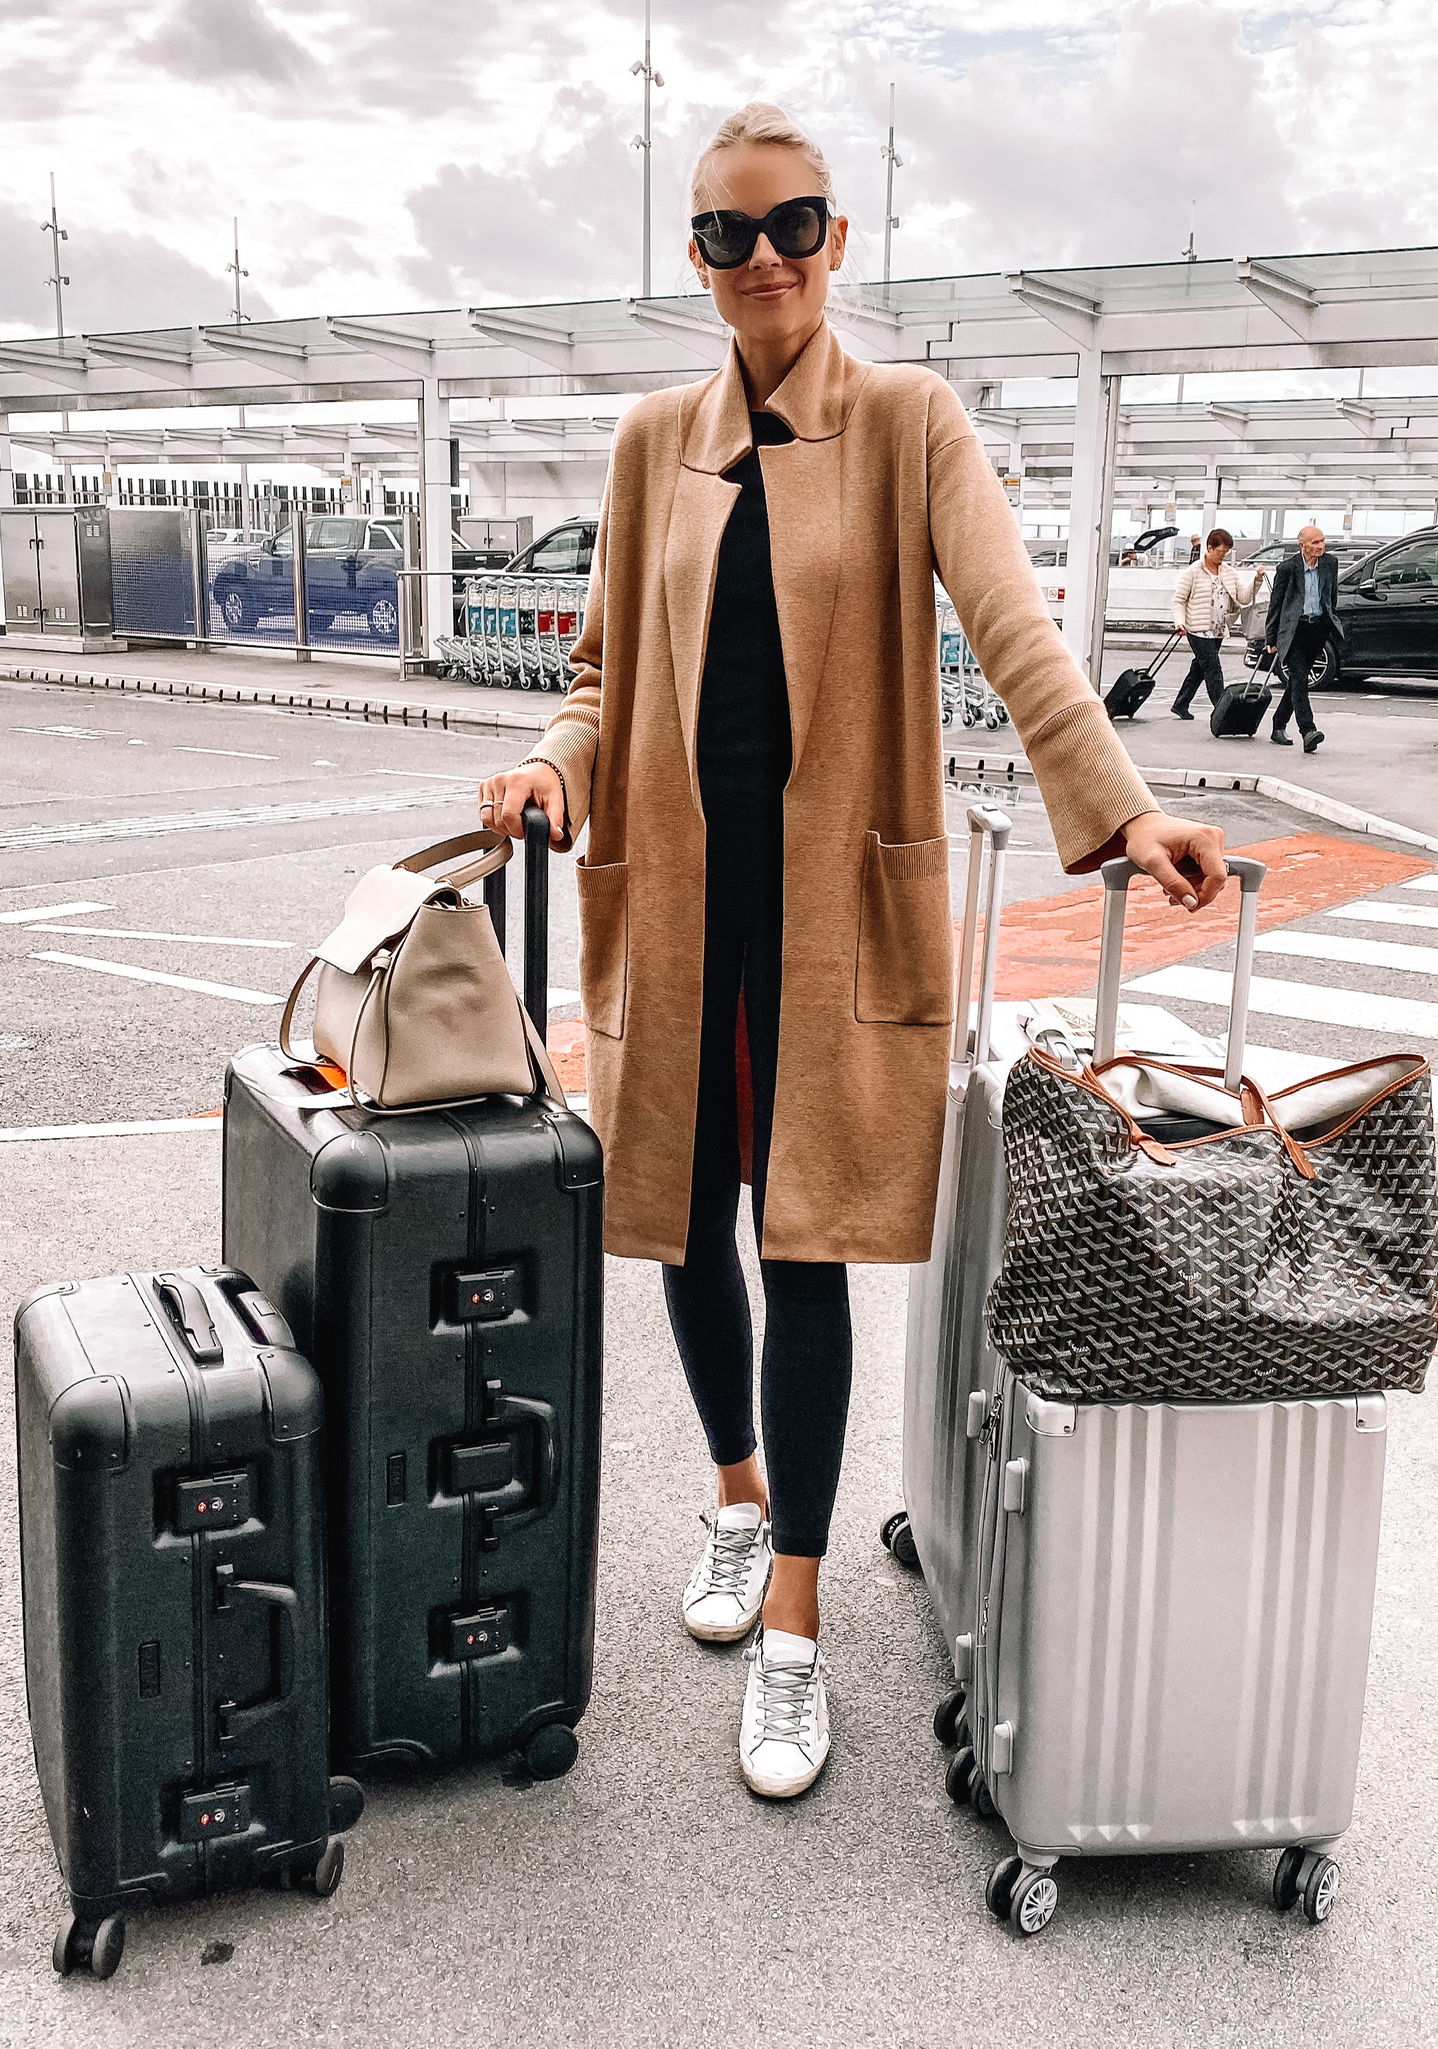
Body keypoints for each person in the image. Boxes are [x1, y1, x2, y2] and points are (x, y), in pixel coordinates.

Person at [477, 103, 1227, 1800]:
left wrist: (1114, 810)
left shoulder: (903, 423)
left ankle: (798, 1623)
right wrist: (550, 761)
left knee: (797, 1235)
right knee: (681, 1218)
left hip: (829, 901)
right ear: (694, 257)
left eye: (794, 226)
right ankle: (736, 1497)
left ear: (837, 240)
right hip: (675, 895)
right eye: (729, 235)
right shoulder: (647, 440)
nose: (764, 262)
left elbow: (1011, 625)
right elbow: (600, 677)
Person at [1168, 528, 1259, 719]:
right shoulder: (1193, 572)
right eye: (1220, 552)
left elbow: (1243, 597)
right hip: (1197, 629)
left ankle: (1181, 704)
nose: (1223, 556)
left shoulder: (1230, 573)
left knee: (1200, 668)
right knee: (1213, 668)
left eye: (1226, 553)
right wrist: (1180, 622)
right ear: (1209, 548)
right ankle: (1222, 709)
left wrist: (1256, 581)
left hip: (1218, 629)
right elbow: (1179, 600)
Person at [1265, 524, 1339, 752]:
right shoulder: (1287, 569)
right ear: (1302, 546)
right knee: (1299, 679)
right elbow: (1275, 605)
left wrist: (1329, 624)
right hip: (1294, 631)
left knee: (1298, 680)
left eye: (1322, 541)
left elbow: (1331, 596)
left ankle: (1278, 724)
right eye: (1315, 542)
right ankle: (1308, 730)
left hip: (1317, 630)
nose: (1320, 546)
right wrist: (1271, 638)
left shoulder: (1330, 564)